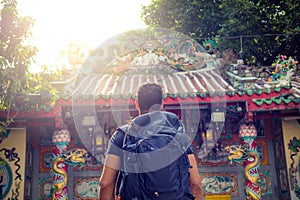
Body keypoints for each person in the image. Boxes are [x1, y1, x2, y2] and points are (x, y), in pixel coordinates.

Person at [99, 83, 203, 200]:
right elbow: (195, 184)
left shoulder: (122, 135)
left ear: (137, 104)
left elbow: (106, 184)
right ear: (161, 104)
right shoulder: (178, 135)